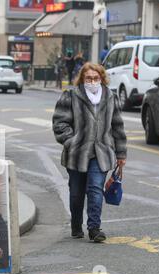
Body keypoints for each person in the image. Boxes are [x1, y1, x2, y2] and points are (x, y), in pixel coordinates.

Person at [52, 63, 127, 243]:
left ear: (101, 78)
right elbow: (59, 124)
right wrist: (72, 141)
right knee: (77, 193)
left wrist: (121, 154)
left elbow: (117, 127)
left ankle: (94, 228)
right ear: (82, 79)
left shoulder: (110, 97)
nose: (92, 82)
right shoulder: (70, 96)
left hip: (101, 153)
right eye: (88, 78)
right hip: (77, 154)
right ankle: (76, 225)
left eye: (96, 78)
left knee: (95, 189)